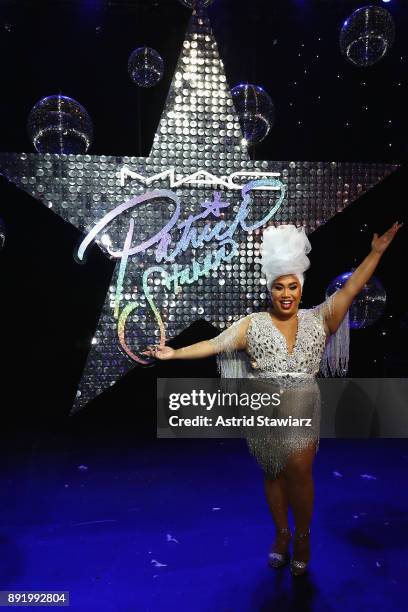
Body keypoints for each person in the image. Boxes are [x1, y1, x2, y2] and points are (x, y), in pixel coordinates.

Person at [142, 221, 402, 576]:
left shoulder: (320, 318)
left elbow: (353, 287)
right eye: (279, 286)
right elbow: (213, 344)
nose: (286, 294)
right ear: (271, 289)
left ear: (300, 288)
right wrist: (174, 354)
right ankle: (282, 535)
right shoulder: (253, 324)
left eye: (292, 286)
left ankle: (304, 536)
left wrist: (376, 252)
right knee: (273, 473)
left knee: (299, 470)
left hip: (302, 408)